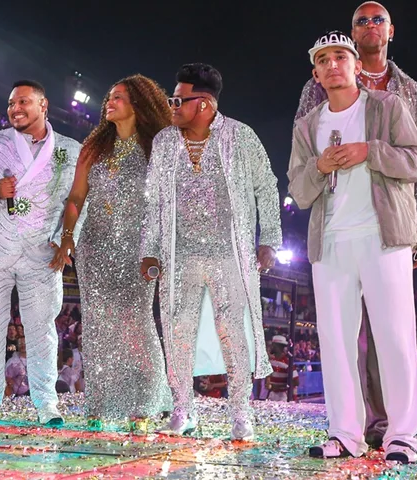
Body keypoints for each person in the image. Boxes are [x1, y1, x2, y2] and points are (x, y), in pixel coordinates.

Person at [294, 1, 417, 447]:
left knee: (394, 336)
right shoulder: (307, 120)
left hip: (385, 235)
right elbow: (298, 186)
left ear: (356, 64)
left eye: (340, 57)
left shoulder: (398, 100)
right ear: (315, 74)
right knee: (336, 341)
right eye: (323, 60)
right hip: (330, 241)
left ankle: (403, 433)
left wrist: (370, 152)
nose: (332, 65)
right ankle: (345, 432)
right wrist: (319, 166)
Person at [140, 63, 282, 441]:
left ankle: (241, 413)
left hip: (228, 253)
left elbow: (266, 186)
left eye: (178, 100)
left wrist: (269, 238)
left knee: (232, 331)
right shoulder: (165, 141)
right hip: (179, 253)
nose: (171, 107)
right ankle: (183, 409)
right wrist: (150, 249)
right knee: (178, 330)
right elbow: (153, 199)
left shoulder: (240, 136)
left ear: (203, 104)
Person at [52, 75, 173, 430]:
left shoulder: (157, 148)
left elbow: (166, 203)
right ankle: (101, 405)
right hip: (94, 248)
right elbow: (76, 198)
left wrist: (160, 248)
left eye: (118, 97)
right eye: (110, 96)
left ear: (137, 104)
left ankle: (144, 404)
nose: (110, 101)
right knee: (98, 328)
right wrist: (68, 236)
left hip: (139, 251)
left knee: (136, 325)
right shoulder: (94, 148)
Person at [0, 80, 81, 427]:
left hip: (42, 251)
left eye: (23, 102)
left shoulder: (70, 150)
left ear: (44, 105)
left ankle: (47, 403)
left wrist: (66, 239)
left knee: (42, 329)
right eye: (11, 103)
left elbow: (77, 200)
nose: (15, 109)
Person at [262, 335, 298, 402]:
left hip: (283, 397)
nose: (271, 347)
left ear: (279, 347)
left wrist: (280, 387)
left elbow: (296, 382)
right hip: (272, 395)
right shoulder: (271, 362)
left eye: (273, 345)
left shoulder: (288, 363)